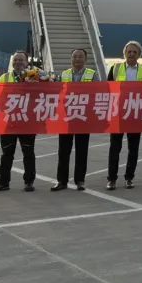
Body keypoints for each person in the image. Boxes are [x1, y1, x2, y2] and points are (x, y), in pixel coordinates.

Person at [0, 51, 38, 193]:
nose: (18, 62)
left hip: (27, 121)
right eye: (15, 60)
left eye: (21, 60)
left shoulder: (34, 75)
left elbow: (41, 95)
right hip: (8, 122)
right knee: (6, 154)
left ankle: (29, 182)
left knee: (28, 153)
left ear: (27, 62)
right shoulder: (4, 77)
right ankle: (3, 182)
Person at [106, 41, 142, 190]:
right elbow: (108, 89)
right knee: (115, 148)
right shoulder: (115, 68)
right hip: (118, 113)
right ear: (124, 53)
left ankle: (129, 178)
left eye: (134, 52)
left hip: (135, 114)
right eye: (129, 51)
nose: (131, 54)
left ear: (139, 55)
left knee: (133, 149)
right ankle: (111, 179)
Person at [53, 48, 95, 191]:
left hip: (83, 117)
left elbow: (98, 94)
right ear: (71, 59)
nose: (77, 59)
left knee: (82, 151)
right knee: (63, 151)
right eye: (75, 57)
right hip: (66, 119)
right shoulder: (63, 75)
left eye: (80, 57)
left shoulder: (92, 75)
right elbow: (57, 94)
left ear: (85, 59)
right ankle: (61, 181)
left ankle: (80, 181)